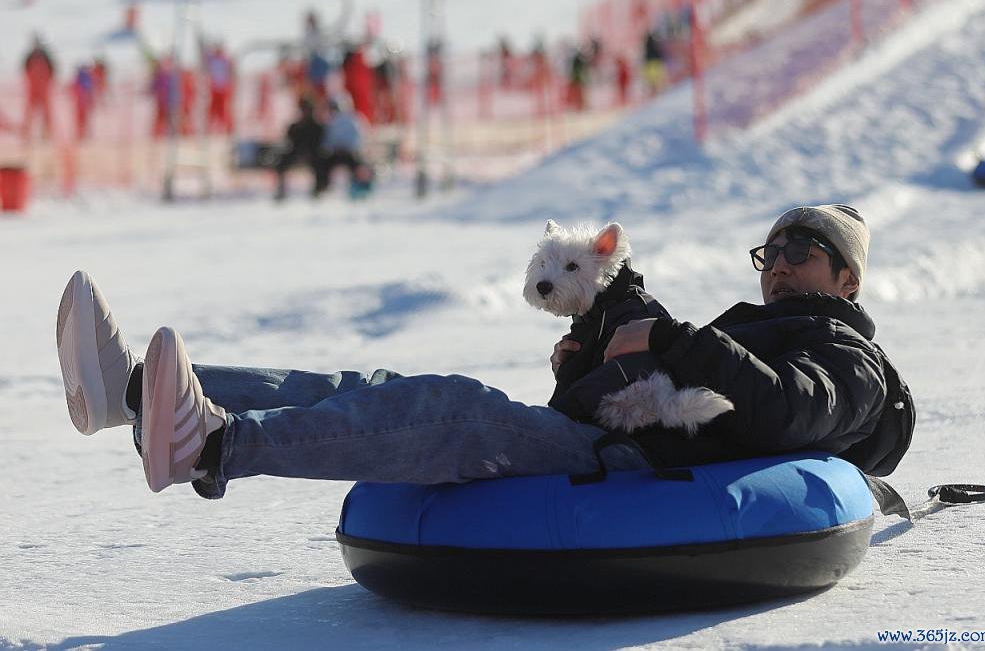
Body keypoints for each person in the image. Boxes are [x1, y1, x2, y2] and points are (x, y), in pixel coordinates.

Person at [56, 204, 913, 499]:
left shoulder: (849, 357)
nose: (778, 264)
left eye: (802, 251)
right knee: (374, 384)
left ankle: (212, 444)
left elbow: (788, 411)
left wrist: (674, 339)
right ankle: (131, 394)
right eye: (770, 251)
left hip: (634, 468)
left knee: (453, 410)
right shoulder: (747, 327)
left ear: (847, 280)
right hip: (604, 435)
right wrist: (583, 374)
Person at [272, 97, 325, 201]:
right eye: (303, 109)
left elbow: (320, 144)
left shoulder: (318, 127)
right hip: (295, 154)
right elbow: (288, 143)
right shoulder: (294, 127)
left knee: (321, 161)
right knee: (281, 162)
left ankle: (318, 188)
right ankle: (281, 190)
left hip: (312, 155)